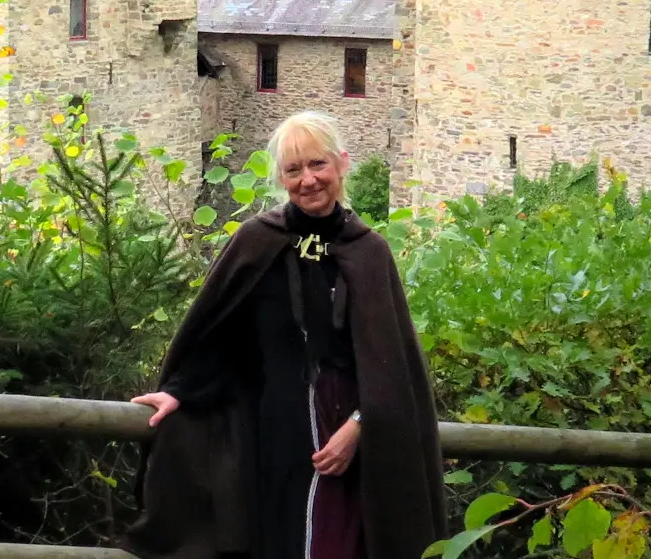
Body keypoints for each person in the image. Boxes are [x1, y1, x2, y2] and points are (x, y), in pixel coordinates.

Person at [121, 111, 446, 559]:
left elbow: (393, 364)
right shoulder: (257, 240)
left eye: (318, 165)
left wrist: (357, 427)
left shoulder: (368, 251)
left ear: (342, 164)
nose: (308, 180)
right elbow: (220, 335)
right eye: (294, 170)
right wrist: (180, 390)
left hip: (351, 441)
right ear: (281, 177)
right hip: (273, 431)